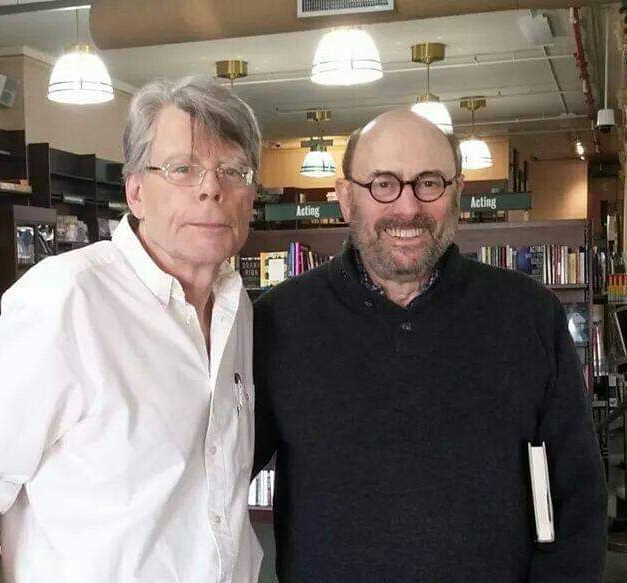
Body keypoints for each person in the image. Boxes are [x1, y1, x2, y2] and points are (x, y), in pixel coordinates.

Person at [0, 76, 264, 583]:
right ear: (136, 192)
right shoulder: (66, 301)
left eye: (233, 170)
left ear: (251, 195)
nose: (211, 188)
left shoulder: (236, 309)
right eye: (182, 168)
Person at [253, 110, 607, 582]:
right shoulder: (279, 321)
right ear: (346, 197)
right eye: (383, 183)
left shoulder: (528, 315)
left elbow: (578, 494)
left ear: (457, 193)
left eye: (429, 183)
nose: (407, 207)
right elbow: (217, 477)